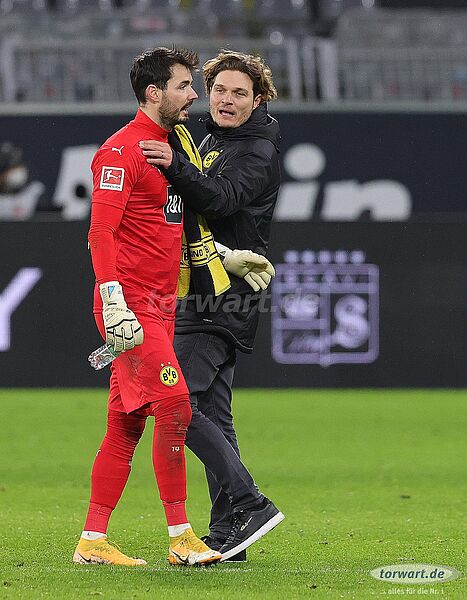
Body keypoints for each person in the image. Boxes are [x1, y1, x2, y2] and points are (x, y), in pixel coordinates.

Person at [73, 47, 229, 568]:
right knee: (177, 405)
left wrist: (225, 256)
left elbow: (176, 226)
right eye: (184, 85)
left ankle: (92, 541)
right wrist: (113, 301)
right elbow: (101, 232)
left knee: (125, 425)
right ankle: (181, 536)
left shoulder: (172, 149)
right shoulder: (121, 151)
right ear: (153, 93)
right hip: (130, 306)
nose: (194, 94)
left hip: (161, 304)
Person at [139, 50, 284, 561]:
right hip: (209, 286)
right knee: (214, 415)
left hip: (219, 293)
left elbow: (221, 199)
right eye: (220, 89)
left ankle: (250, 504)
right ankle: (230, 532)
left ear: (257, 100)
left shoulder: (256, 149)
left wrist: (175, 165)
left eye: (239, 93)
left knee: (176, 403)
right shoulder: (216, 139)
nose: (226, 100)